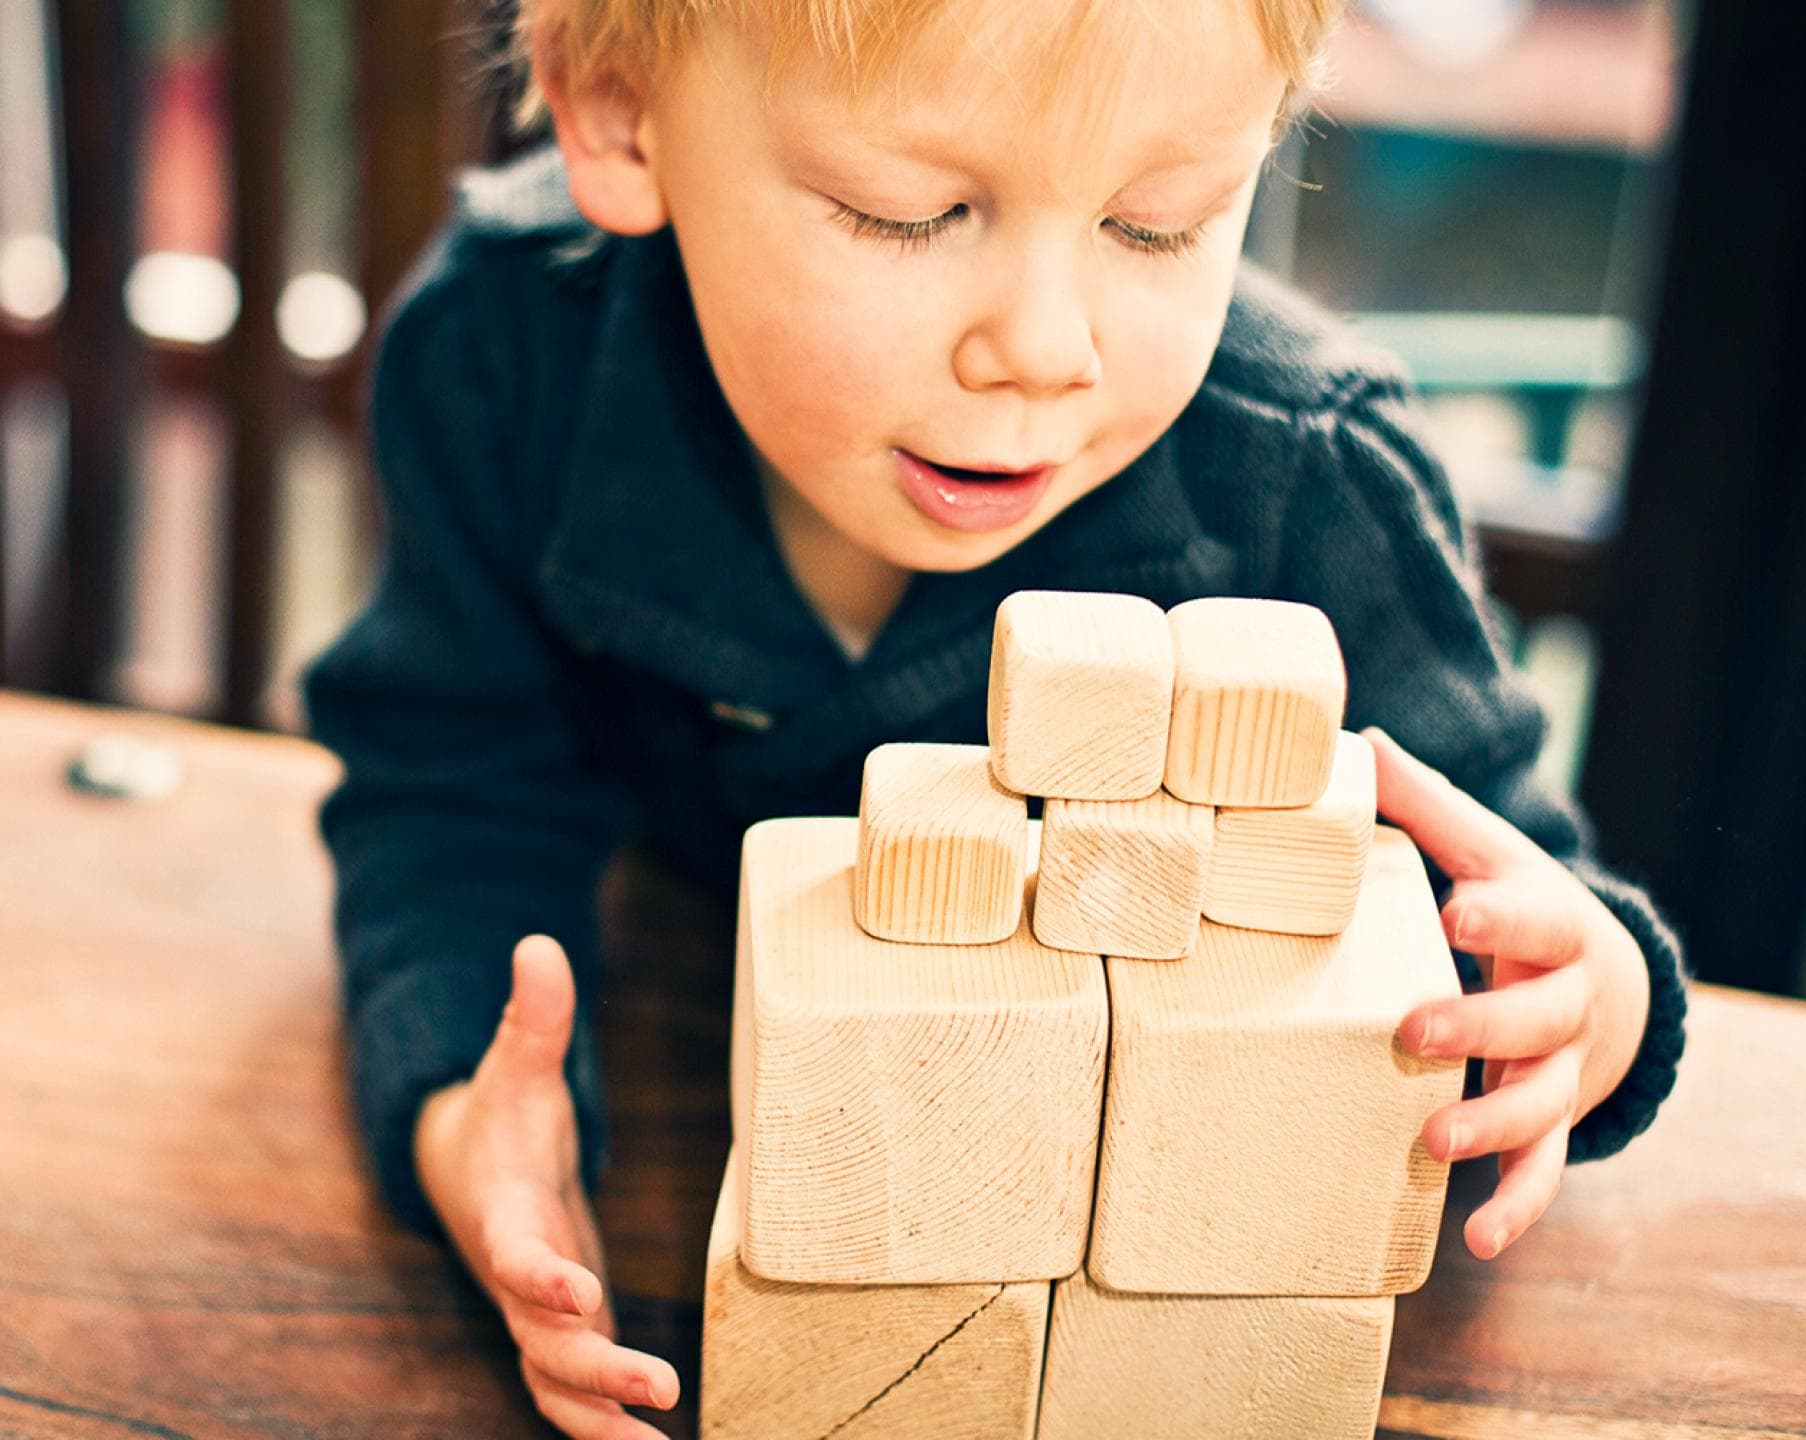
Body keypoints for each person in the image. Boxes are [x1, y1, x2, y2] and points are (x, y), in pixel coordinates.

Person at [303, 0, 1688, 1433]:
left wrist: (1593, 1005)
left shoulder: (1309, 480)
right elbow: (448, 787)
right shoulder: (506, 353)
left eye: (1158, 225)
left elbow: (1526, 898)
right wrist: (464, 1106)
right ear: (615, 113)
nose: (1042, 348)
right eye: (908, 213)